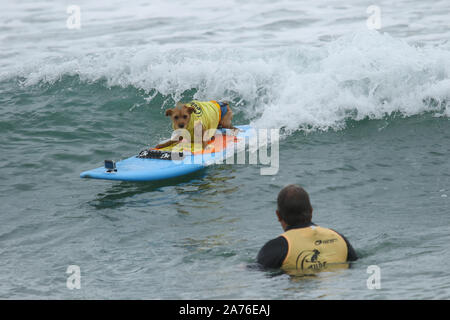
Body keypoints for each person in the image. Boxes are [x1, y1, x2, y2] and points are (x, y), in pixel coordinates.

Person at [257, 184, 357, 273]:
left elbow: (256, 272)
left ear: (278, 215)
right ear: (311, 211)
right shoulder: (338, 237)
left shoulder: (277, 246)